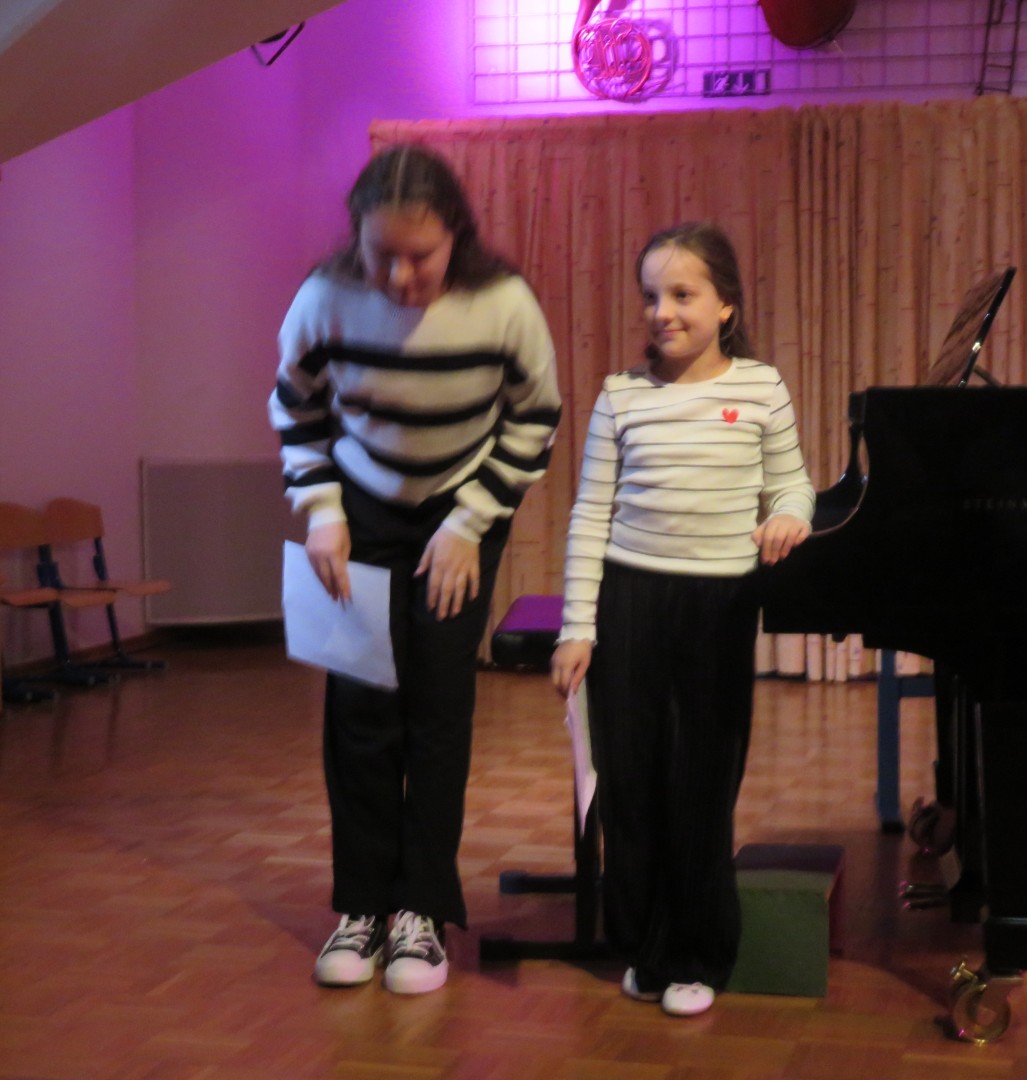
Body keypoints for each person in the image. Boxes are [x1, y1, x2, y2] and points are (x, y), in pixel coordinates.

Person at [269, 144, 562, 995]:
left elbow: (534, 418)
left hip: (457, 513)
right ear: (355, 241)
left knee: (437, 704)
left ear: (456, 235)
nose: (400, 276)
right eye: (381, 255)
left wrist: (470, 523)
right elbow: (297, 410)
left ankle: (421, 914)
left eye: (420, 256)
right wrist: (323, 512)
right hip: (360, 508)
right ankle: (362, 906)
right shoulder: (324, 298)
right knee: (360, 708)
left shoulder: (503, 303)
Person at [550, 222, 814, 1017]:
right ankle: (647, 944)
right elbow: (590, 512)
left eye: (682, 294)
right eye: (651, 296)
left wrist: (790, 516)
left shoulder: (761, 387)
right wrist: (578, 625)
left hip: (719, 605)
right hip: (631, 598)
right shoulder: (621, 395)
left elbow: (792, 485)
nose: (661, 311)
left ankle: (699, 951)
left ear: (726, 304)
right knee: (630, 782)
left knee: (701, 781)